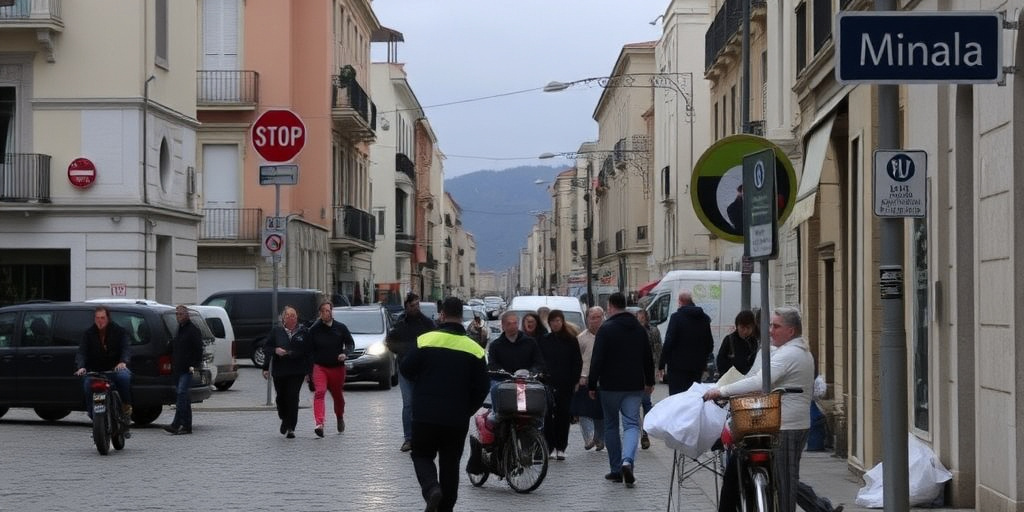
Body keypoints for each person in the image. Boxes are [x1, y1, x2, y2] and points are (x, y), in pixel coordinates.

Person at [703, 306, 814, 512]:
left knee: (785, 484)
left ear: (791, 331)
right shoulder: (795, 351)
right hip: (784, 423)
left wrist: (721, 391)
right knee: (780, 477)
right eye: (770, 325)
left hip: (786, 425)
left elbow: (759, 380)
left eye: (776, 326)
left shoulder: (789, 354)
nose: (770, 330)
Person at [401, 297, 489, 512]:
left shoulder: (426, 340)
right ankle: (445, 508)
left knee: (421, 455)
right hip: (456, 418)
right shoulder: (475, 348)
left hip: (425, 415)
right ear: (461, 316)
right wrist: (468, 409)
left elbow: (405, 368)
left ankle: (432, 489)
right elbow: (483, 386)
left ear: (441, 315)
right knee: (450, 464)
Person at [588, 293, 655, 488]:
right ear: (625, 306)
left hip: (609, 386)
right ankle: (628, 461)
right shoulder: (639, 329)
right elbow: (648, 357)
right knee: (632, 424)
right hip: (634, 385)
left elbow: (597, 359)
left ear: (610, 307)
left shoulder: (605, 329)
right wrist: (650, 381)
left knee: (611, 426)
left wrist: (592, 384)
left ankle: (616, 469)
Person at [385, 292, 436, 452]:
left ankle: (423, 437)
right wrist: (403, 351)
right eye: (413, 305)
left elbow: (435, 341)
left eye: (417, 305)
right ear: (406, 306)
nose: (416, 308)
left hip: (423, 370)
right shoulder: (400, 323)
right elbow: (390, 341)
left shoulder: (427, 323)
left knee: (423, 403)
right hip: (405, 370)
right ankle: (409, 438)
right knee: (408, 404)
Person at [261, 305, 311, 439]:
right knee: (281, 397)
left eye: (293, 315)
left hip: (297, 370)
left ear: (297, 317)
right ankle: (284, 417)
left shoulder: (303, 332)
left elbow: (308, 352)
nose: (291, 318)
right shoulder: (276, 331)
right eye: (288, 315)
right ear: (283, 318)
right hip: (280, 370)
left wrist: (309, 371)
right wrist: (274, 353)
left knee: (293, 397)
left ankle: (290, 427)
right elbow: (267, 348)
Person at [538, 310, 583, 461]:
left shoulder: (570, 340)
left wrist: (575, 380)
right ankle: (550, 447)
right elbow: (540, 360)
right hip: (548, 383)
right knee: (548, 416)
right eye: (553, 321)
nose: (556, 324)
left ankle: (561, 447)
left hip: (566, 383)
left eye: (558, 321)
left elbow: (577, 361)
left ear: (562, 322)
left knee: (563, 415)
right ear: (549, 323)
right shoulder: (544, 340)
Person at [75, 305, 133, 420]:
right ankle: (92, 413)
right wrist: (81, 367)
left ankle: (125, 405)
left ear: (108, 318)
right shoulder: (88, 334)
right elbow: (81, 352)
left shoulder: (119, 331)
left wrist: (123, 362)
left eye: (102, 318)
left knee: (124, 378)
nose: (100, 321)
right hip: (95, 371)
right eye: (97, 318)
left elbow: (126, 348)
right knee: (87, 385)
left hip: (114, 369)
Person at [307, 301, 355, 437]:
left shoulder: (340, 327)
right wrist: (308, 371)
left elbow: (350, 343)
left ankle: (339, 416)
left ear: (332, 312)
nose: (327, 313)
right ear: (320, 313)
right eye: (324, 311)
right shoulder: (314, 330)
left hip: (337, 368)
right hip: (320, 367)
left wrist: (345, 353)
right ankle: (319, 424)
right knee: (320, 392)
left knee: (337, 396)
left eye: (329, 310)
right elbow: (309, 351)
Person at [658, 290, 714, 395]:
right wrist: (703, 361)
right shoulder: (704, 318)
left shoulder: (676, 318)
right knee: (693, 397)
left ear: (680, 302)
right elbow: (709, 344)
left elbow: (669, 342)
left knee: (677, 398)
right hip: (697, 367)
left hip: (677, 368)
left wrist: (661, 364)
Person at [163, 305, 204, 435]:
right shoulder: (179, 329)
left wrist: (194, 365)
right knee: (184, 397)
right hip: (177, 368)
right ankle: (187, 426)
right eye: (177, 314)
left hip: (187, 368)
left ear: (187, 315)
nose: (178, 316)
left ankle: (176, 424)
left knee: (181, 393)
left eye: (180, 314)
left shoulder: (192, 330)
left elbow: (198, 349)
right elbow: (175, 345)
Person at [574, 306, 605, 451]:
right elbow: (576, 360)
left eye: (599, 317)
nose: (596, 321)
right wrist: (578, 377)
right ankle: (589, 437)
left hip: (602, 379)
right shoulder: (581, 338)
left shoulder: (607, 336)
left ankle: (600, 438)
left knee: (600, 412)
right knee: (584, 411)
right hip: (584, 378)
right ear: (587, 320)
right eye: (593, 318)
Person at [634, 308, 662, 450]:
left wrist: (658, 368)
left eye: (642, 318)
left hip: (647, 371)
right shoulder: (631, 331)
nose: (640, 320)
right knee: (635, 405)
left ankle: (645, 432)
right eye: (638, 318)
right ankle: (639, 431)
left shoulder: (653, 331)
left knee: (645, 402)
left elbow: (658, 350)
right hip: (634, 372)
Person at [715, 310, 760, 376]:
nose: (745, 331)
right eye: (742, 327)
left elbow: (753, 363)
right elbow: (720, 362)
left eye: (748, 328)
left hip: (745, 378)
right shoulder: (729, 340)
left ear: (753, 327)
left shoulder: (753, 342)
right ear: (737, 326)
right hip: (728, 378)